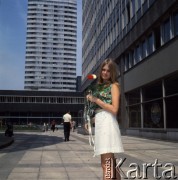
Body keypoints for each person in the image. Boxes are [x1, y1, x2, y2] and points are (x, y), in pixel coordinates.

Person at [86, 58, 124, 180]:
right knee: (111, 164)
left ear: (112, 72)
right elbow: (99, 110)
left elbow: (114, 109)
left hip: (108, 125)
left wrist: (96, 100)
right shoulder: (99, 87)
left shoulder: (114, 86)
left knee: (105, 165)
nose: (105, 72)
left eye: (108, 70)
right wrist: (90, 121)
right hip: (101, 124)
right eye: (103, 69)